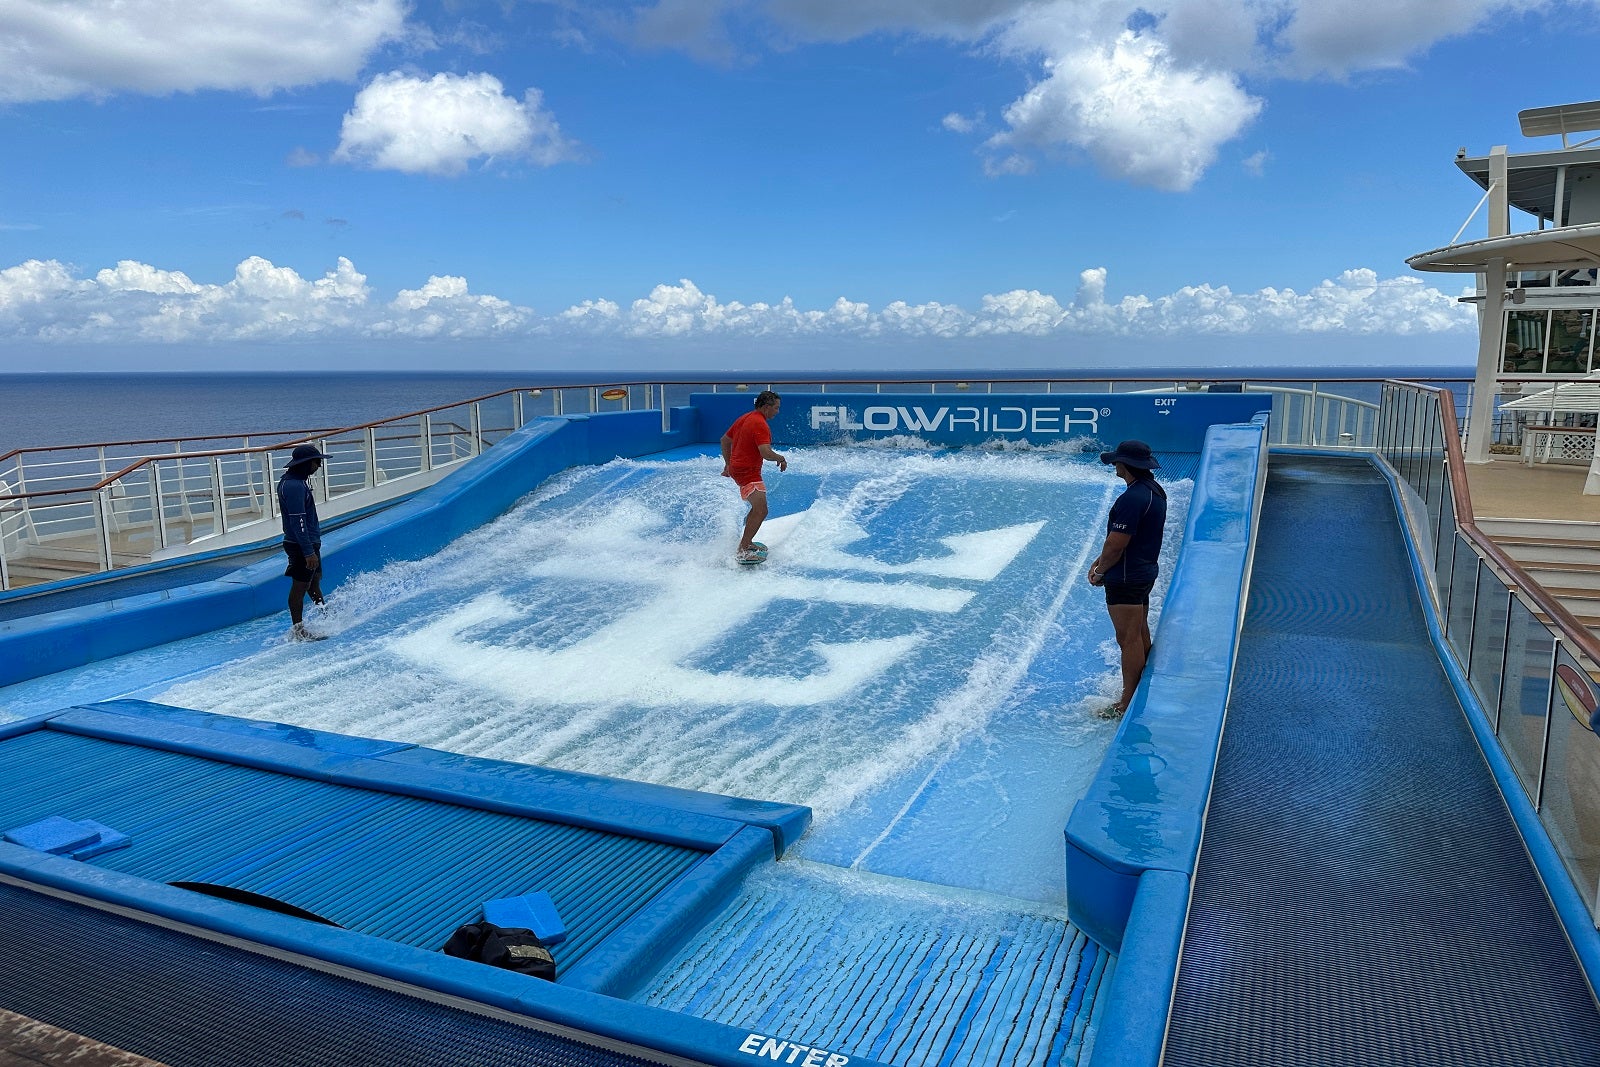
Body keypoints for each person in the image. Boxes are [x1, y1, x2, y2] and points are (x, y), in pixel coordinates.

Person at [1087, 440, 1167, 715]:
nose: (1114, 465)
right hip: (1143, 572)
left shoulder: (1132, 499)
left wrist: (1100, 571)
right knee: (1140, 630)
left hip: (1125, 577)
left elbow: (1117, 544)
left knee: (1128, 638)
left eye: (1117, 461)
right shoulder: (1154, 491)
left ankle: (1127, 703)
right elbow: (1127, 540)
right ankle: (1143, 684)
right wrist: (1101, 560)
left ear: (1127, 465)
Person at [720, 391, 788, 561]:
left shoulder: (746, 417)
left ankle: (747, 542)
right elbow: (765, 452)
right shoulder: (760, 424)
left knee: (758, 508)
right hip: (747, 472)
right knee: (761, 509)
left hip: (741, 469)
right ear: (766, 407)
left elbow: (724, 440)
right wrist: (780, 458)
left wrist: (729, 464)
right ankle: (743, 549)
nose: (778, 412)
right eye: (776, 408)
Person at [278, 443, 329, 640]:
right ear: (307, 463)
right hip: (300, 545)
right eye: (317, 462)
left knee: (314, 582)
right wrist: (308, 551)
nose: (319, 466)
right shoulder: (293, 486)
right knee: (300, 587)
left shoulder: (294, 482)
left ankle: (325, 616)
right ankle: (298, 631)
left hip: (308, 541)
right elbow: (297, 520)